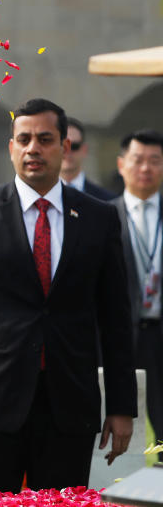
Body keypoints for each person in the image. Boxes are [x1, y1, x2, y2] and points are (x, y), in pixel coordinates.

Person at [0, 98, 136, 492]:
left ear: (65, 147)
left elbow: (116, 318)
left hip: (69, 407)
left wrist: (122, 406)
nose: (32, 148)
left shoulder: (98, 217)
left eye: (44, 139)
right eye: (23, 139)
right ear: (11, 148)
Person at [112, 129, 163, 460]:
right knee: (115, 424)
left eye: (155, 161)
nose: (145, 168)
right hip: (118, 339)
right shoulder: (102, 216)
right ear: (121, 164)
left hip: (159, 331)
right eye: (138, 160)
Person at [61, 117, 114, 201]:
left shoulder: (108, 200)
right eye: (63, 146)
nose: (68, 152)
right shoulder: (39, 197)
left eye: (74, 146)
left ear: (84, 150)